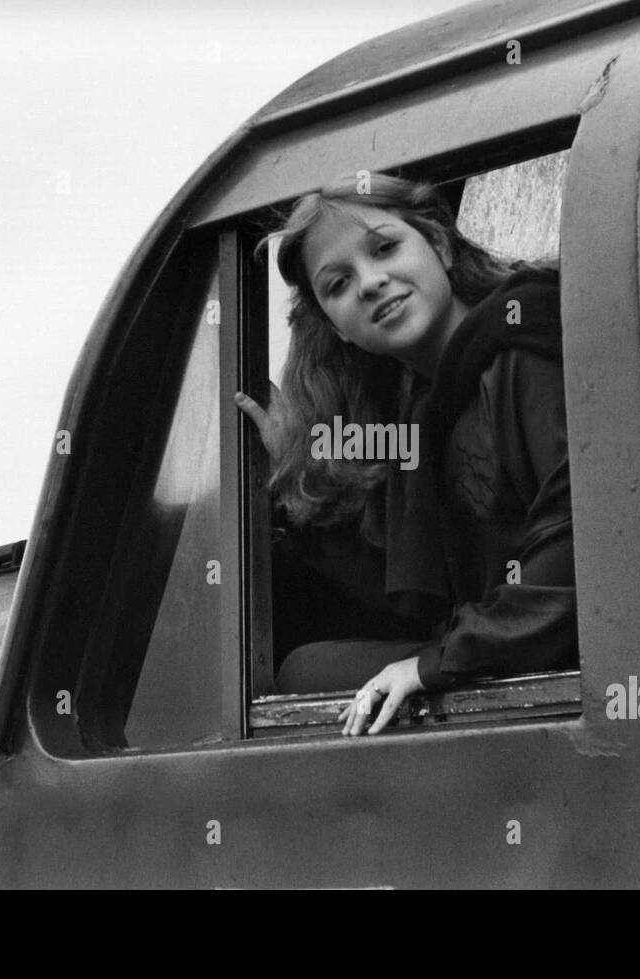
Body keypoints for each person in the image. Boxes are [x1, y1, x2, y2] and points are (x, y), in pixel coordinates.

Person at [234, 173, 577, 737]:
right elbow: (410, 586)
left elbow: (583, 541)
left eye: (385, 248)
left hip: (562, 646)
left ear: (439, 245)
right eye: (338, 284)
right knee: (302, 666)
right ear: (336, 328)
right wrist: (285, 477)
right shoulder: (423, 409)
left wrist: (433, 664)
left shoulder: (526, 349)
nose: (370, 283)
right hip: (504, 637)